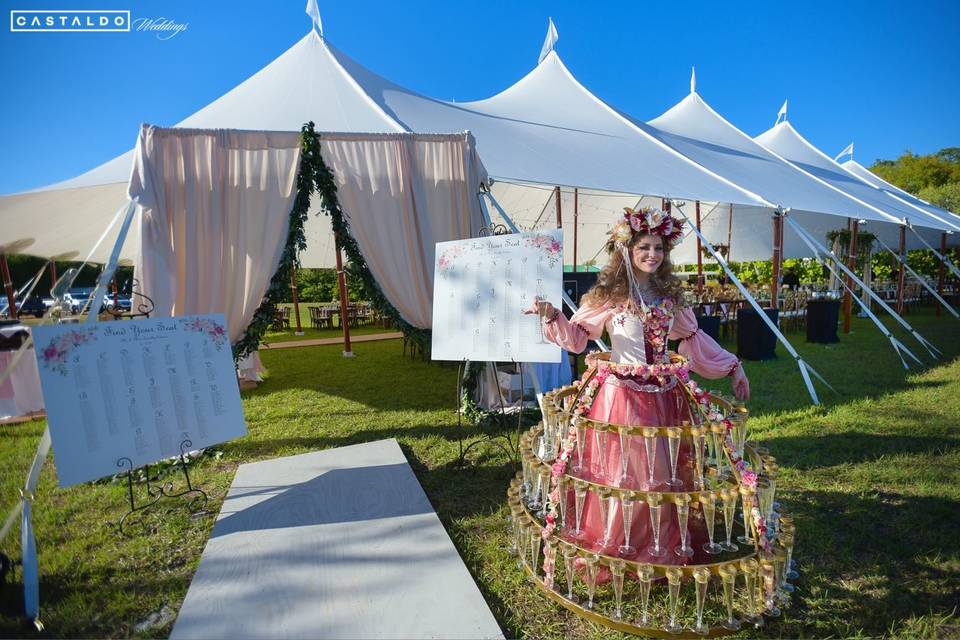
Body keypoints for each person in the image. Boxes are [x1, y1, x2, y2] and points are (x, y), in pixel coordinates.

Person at [525, 206, 749, 567]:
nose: (652, 255)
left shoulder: (669, 297)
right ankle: (618, 542)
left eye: (658, 248)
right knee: (622, 475)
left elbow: (693, 338)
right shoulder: (608, 297)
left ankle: (656, 546)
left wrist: (732, 366)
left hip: (664, 398)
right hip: (620, 398)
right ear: (627, 250)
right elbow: (578, 338)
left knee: (661, 474)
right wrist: (552, 315)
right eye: (644, 247)